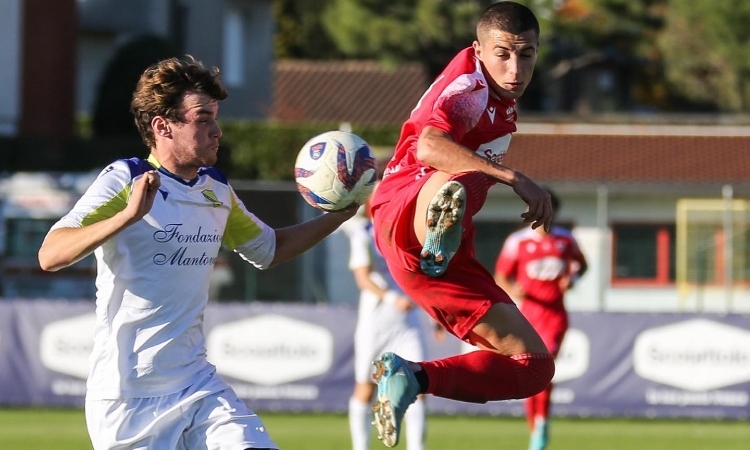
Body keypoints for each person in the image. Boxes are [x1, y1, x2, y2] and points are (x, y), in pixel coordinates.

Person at [37, 55, 357, 450]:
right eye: (203, 118)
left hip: (197, 386)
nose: (218, 130)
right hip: (126, 398)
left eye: (216, 117)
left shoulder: (216, 191)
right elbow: (50, 254)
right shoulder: (126, 179)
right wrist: (128, 215)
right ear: (162, 126)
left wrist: (341, 215)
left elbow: (271, 248)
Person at [367, 2, 555, 447]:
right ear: (478, 50)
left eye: (526, 54)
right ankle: (436, 226)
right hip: (402, 207)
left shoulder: (500, 100)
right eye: (502, 53)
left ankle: (412, 377)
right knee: (466, 173)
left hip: (445, 257)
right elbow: (430, 146)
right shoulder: (469, 87)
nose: (515, 67)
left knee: (533, 367)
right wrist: (515, 178)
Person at [494, 188, 588, 450]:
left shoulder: (566, 240)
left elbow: (583, 265)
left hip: (555, 317)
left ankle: (542, 425)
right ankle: (536, 430)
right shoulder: (517, 243)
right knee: (529, 374)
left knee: (544, 371)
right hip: (527, 318)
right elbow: (501, 276)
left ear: (553, 211)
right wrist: (514, 291)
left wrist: (573, 280)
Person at [340, 199, 429, 450]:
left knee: (420, 385)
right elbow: (363, 277)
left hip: (408, 323)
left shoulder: (408, 233)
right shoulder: (362, 233)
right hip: (376, 322)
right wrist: (392, 297)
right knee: (366, 389)